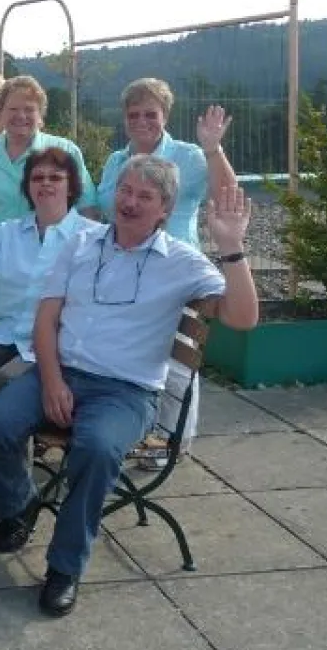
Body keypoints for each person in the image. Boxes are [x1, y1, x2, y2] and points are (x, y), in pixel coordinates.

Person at [0, 156, 258, 617]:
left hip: (125, 391)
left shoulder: (182, 262)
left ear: (164, 209)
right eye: (125, 191)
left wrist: (232, 246)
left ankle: (65, 567)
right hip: (62, 372)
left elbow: (244, 319)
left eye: (145, 197)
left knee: (97, 449)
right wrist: (50, 381)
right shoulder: (80, 243)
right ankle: (20, 504)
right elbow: (46, 320)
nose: (130, 202)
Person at [97, 78, 237, 462]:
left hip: (174, 270)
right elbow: (97, 209)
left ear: (165, 116)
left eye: (150, 113)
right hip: (125, 268)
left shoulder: (189, 155)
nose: (141, 121)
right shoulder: (116, 160)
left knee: (177, 361)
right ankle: (139, 431)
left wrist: (214, 147)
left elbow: (227, 192)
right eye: (133, 114)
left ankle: (173, 442)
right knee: (138, 355)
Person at [0, 148, 100, 433]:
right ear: (28, 187)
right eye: (37, 177)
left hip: (57, 343)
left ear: (71, 186)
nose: (46, 183)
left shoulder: (92, 237)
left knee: (7, 380)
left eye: (56, 177)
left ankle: (3, 454)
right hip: (7, 332)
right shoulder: (8, 231)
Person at [0, 75, 98, 237]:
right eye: (13, 109)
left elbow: (87, 208)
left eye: (29, 109)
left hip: (54, 254)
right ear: (0, 114)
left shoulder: (66, 151)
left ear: (40, 116)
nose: (21, 116)